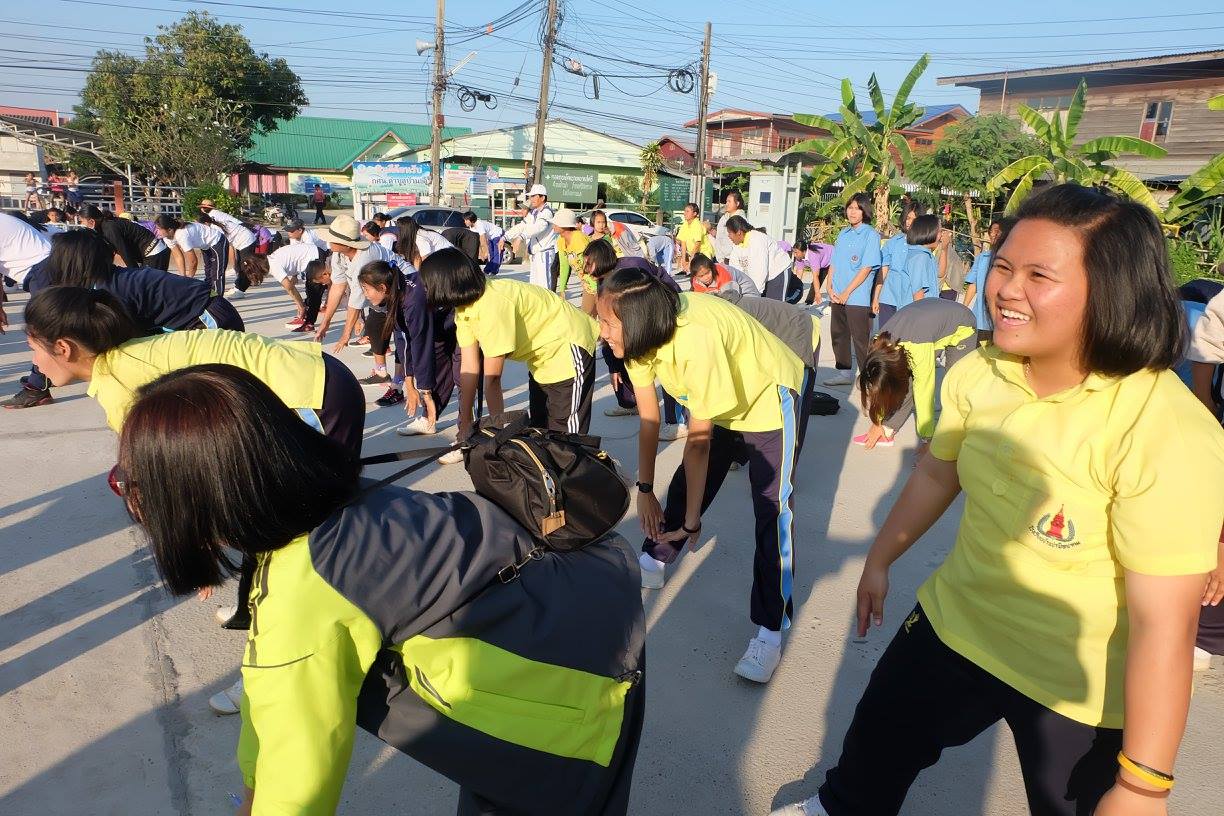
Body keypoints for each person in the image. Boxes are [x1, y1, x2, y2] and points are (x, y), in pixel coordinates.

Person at [771, 184, 1224, 816]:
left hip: (1078, 686)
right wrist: (880, 559)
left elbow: (1164, 627)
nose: (1006, 289)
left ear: (1113, 292)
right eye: (1004, 267)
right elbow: (938, 475)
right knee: (870, 758)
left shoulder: (1164, 427)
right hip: (956, 623)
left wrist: (1144, 786)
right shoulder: (980, 373)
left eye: (1039, 275)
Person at [111, 364, 644, 815]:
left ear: (196, 490)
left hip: (577, 690)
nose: (129, 497)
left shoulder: (308, 587)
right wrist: (253, 792)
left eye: (131, 483)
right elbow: (267, 698)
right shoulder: (315, 512)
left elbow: (299, 773)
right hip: (571, 613)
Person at [599, 269, 807, 684]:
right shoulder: (638, 340)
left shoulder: (696, 340)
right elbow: (649, 418)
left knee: (773, 510)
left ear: (636, 320)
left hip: (767, 396)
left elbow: (697, 444)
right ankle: (658, 556)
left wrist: (693, 522)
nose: (601, 331)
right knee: (686, 481)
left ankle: (770, 630)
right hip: (722, 399)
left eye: (607, 323)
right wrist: (644, 490)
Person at [418, 247, 598, 439]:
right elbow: (469, 368)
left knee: (565, 434)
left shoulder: (492, 306)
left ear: (445, 284)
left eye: (428, 285)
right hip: (542, 355)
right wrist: (465, 422)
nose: (425, 290)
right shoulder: (464, 309)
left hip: (568, 344)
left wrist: (498, 435)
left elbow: (493, 379)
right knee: (540, 428)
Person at [582, 240, 686, 433]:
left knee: (669, 371)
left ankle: (677, 422)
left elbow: (655, 299)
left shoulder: (633, 266)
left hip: (664, 317)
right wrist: (613, 365)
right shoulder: (603, 283)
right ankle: (631, 402)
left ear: (602, 259)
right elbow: (608, 322)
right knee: (619, 360)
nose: (585, 270)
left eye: (589, 264)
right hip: (638, 323)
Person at [854, 297, 975, 452]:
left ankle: (958, 437)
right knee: (906, 381)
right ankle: (888, 427)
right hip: (926, 321)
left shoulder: (917, 347)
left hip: (962, 323)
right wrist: (878, 421)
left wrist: (927, 439)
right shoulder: (878, 342)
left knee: (956, 385)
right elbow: (882, 386)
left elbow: (924, 391)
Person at [822, 194, 882, 386]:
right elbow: (834, 263)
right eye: (850, 208)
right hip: (837, 294)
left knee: (860, 339)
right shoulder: (843, 234)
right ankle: (844, 373)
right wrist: (829, 286)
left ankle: (868, 377)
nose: (852, 212)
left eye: (857, 208)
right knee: (838, 334)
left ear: (864, 211)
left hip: (857, 297)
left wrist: (847, 292)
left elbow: (867, 268)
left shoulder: (870, 235)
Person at [313, 214, 394, 350]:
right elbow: (338, 286)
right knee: (376, 338)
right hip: (380, 299)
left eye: (332, 240)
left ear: (346, 244)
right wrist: (325, 323)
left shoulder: (364, 259)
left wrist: (346, 335)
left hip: (400, 293)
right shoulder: (338, 253)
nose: (328, 242)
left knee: (405, 343)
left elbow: (356, 300)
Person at [0, 211, 53, 409]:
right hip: (46, 269)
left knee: (43, 332)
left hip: (43, 271)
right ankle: (44, 376)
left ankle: (37, 388)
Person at [240, 242, 327, 333]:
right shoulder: (272, 258)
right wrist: (294, 276)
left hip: (315, 257)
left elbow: (289, 288)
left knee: (314, 293)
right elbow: (294, 258)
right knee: (311, 293)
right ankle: (306, 316)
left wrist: (301, 306)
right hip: (313, 253)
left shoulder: (274, 266)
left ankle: (309, 323)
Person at [154, 214, 229, 296]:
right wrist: (183, 277)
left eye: (159, 229)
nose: (157, 231)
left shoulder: (181, 234)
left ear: (169, 229)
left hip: (217, 241)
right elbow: (178, 256)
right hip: (206, 246)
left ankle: (216, 300)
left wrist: (189, 278)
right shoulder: (166, 237)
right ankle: (208, 297)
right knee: (208, 273)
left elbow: (193, 261)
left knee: (216, 274)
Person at [80, 204, 170, 271]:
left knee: (149, 287)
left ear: (91, 221)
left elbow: (124, 252)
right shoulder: (105, 226)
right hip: (153, 253)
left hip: (154, 253)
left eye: (82, 221)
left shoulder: (109, 228)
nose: (81, 224)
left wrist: (135, 272)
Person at [962, 218, 1009, 344]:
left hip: (1000, 320)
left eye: (997, 231)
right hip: (980, 318)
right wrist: (964, 307)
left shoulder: (1011, 260)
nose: (993, 234)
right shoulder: (982, 258)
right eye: (991, 231)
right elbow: (974, 284)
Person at [198, 200, 258, 299]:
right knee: (239, 266)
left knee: (245, 267)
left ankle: (241, 290)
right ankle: (238, 287)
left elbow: (225, 246)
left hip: (246, 240)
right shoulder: (214, 222)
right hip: (240, 241)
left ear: (206, 222)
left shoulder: (215, 227)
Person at [724, 216, 793, 300]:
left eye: (730, 233)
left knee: (774, 304)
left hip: (777, 272)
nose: (728, 236)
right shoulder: (736, 245)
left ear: (739, 232)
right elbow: (735, 270)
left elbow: (760, 270)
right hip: (762, 275)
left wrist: (754, 295)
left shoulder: (757, 240)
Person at [503, 183, 556, 289]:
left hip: (544, 253)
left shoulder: (546, 212)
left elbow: (540, 227)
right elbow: (522, 226)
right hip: (535, 254)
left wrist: (521, 237)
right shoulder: (534, 213)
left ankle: (546, 300)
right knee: (534, 286)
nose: (531, 199)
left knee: (544, 286)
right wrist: (505, 237)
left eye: (533, 196)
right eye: (530, 196)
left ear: (542, 198)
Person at [874, 205, 920, 326]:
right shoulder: (893, 242)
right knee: (885, 332)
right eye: (908, 218)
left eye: (914, 219)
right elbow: (883, 270)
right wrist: (876, 296)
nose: (910, 222)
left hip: (910, 299)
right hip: (888, 296)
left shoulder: (924, 245)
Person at [553, 208, 593, 305]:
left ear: (564, 225)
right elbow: (564, 266)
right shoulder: (561, 240)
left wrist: (592, 284)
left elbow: (591, 264)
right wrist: (562, 289)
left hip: (597, 281)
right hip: (587, 283)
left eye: (556, 223)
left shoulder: (579, 238)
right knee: (588, 312)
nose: (553, 225)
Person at [688, 252, 760, 296]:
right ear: (695, 276)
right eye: (701, 276)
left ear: (712, 268)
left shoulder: (723, 273)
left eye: (707, 273)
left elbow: (731, 297)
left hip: (746, 294)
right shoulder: (696, 282)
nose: (706, 277)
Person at [463, 210, 505, 275]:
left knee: (497, 253)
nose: (465, 222)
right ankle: (487, 271)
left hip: (498, 234)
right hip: (490, 237)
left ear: (471, 220)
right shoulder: (471, 228)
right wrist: (481, 253)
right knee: (490, 254)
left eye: (466, 220)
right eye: (464, 220)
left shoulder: (479, 224)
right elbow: (478, 241)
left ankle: (494, 272)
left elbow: (483, 239)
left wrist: (485, 252)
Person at [675, 202, 707, 272]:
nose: (684, 213)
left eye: (687, 211)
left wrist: (690, 263)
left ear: (694, 213)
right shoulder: (685, 224)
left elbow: (697, 245)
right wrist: (683, 261)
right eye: (684, 211)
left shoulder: (697, 225)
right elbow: (683, 242)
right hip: (694, 256)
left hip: (704, 255)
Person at [715, 190, 745, 264]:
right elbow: (719, 237)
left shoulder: (740, 219)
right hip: (721, 258)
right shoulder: (724, 217)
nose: (726, 204)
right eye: (726, 201)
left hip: (732, 259)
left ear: (737, 203)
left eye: (729, 201)